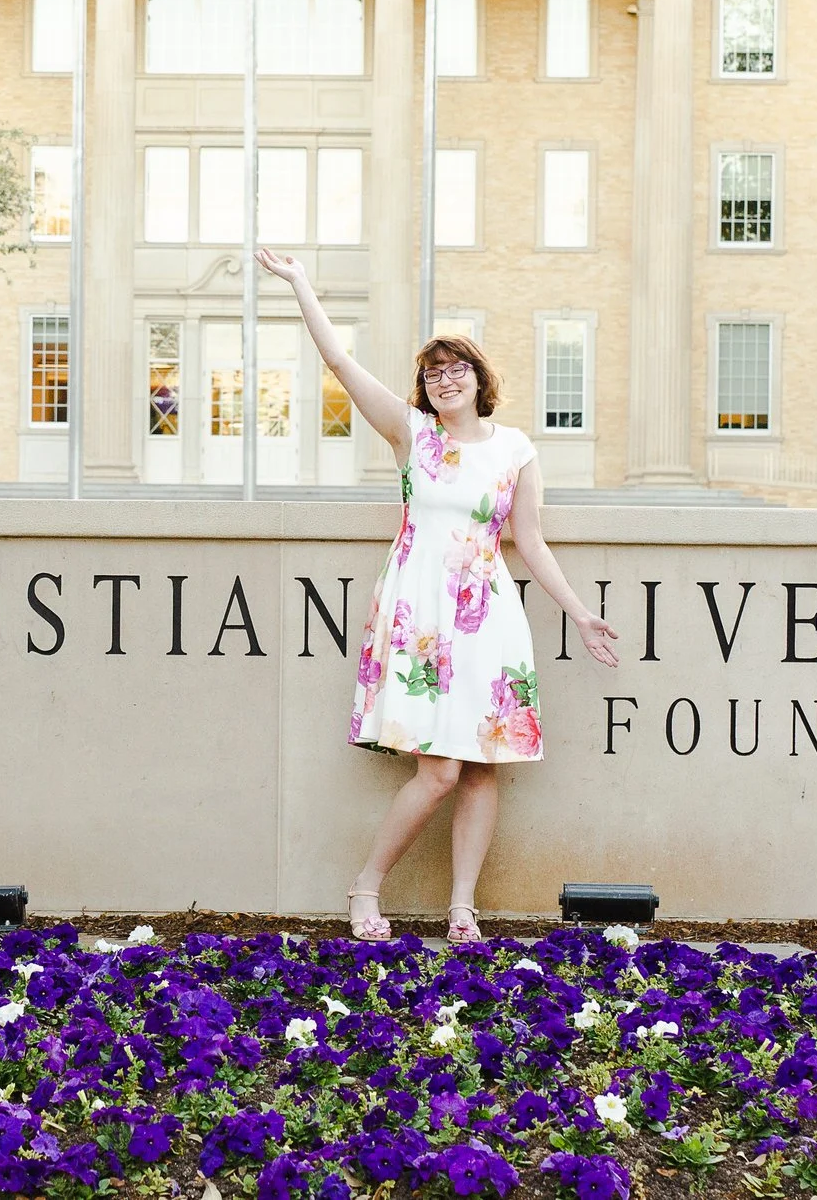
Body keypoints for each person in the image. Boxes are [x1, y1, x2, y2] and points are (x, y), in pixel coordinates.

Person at [256, 248, 621, 944]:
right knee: (440, 769)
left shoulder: (514, 448)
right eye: (434, 369)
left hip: (486, 619)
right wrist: (303, 280)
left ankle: (463, 906)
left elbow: (530, 540)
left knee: (482, 768)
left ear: (482, 379)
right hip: (420, 616)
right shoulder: (412, 433)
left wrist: (578, 610)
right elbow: (339, 362)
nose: (445, 377)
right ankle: (366, 884)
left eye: (459, 367)